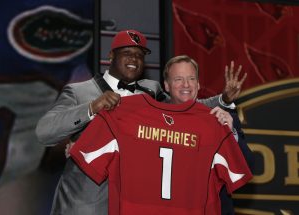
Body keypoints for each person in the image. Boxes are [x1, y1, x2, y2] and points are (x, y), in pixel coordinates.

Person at [35, 30, 245, 215]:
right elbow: (45, 132)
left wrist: (223, 99)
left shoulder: (151, 90)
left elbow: (184, 108)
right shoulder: (80, 91)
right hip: (87, 205)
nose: (134, 59)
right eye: (127, 52)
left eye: (139, 55)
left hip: (136, 203)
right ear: (110, 55)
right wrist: (91, 108)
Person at [163, 55, 253, 215]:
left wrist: (230, 132)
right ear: (167, 86)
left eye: (191, 78)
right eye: (178, 79)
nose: (186, 84)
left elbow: (248, 166)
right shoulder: (154, 119)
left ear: (198, 84)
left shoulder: (219, 116)